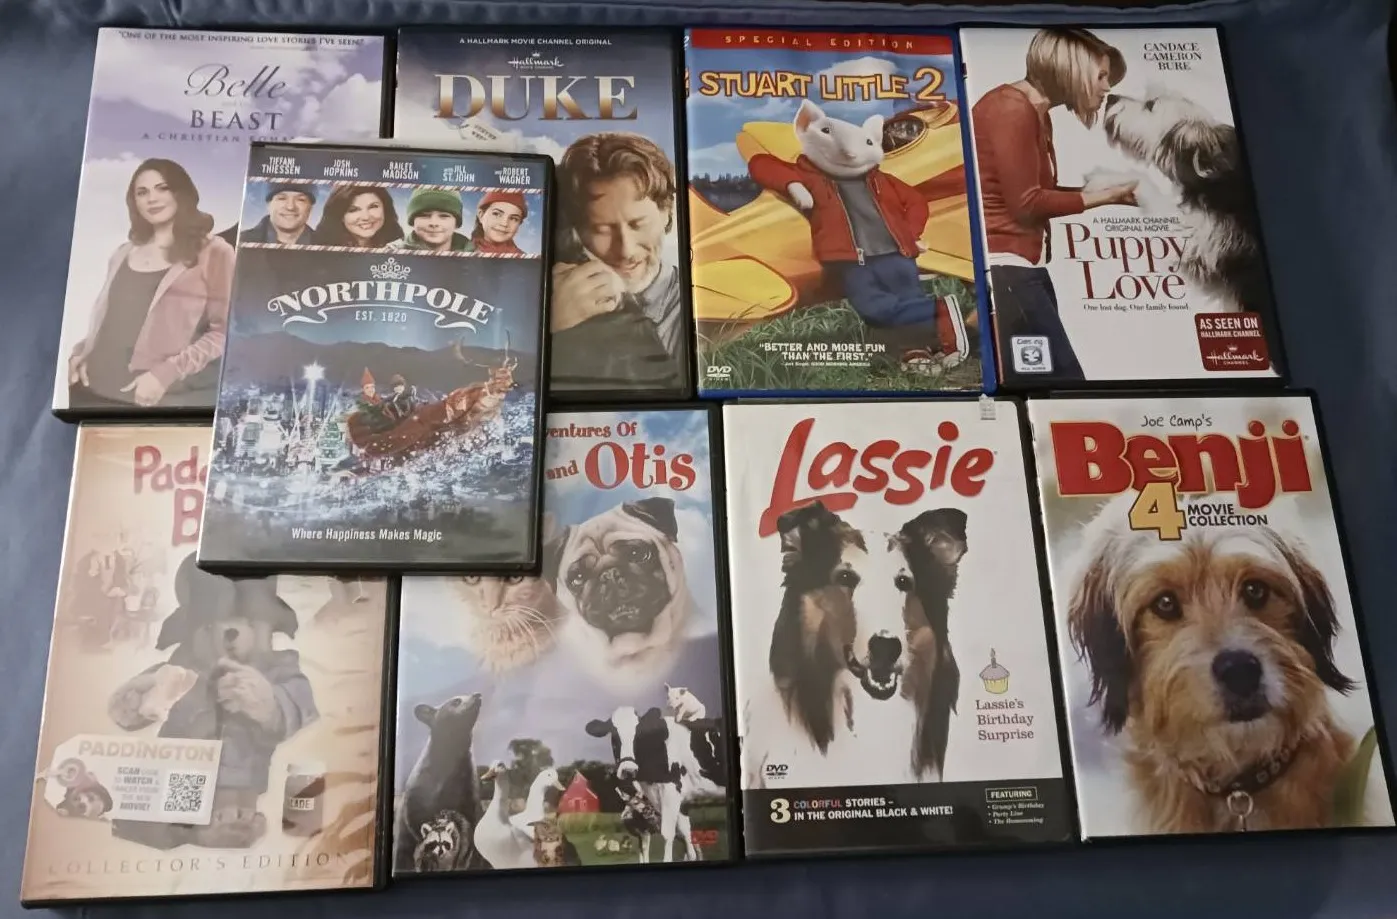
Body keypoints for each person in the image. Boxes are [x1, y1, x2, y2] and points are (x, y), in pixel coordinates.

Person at [972, 27, 1137, 382]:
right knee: (1064, 382)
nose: (1107, 88)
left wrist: (1105, 192)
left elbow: (1032, 190)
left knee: (1041, 379)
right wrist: (1103, 196)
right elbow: (1026, 204)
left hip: (1022, 267)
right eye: (1101, 76)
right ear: (1069, 69)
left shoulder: (1033, 110)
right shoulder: (1011, 109)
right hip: (1006, 266)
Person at [67, 158, 234, 409]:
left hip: (151, 395)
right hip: (89, 388)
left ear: (182, 193)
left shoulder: (215, 252)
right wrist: (80, 352)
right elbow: (109, 321)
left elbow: (224, 332)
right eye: (142, 192)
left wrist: (164, 374)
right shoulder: (122, 252)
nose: (151, 198)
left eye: (162, 188)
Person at [549, 133, 683, 390]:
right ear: (577, 230)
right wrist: (551, 327)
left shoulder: (706, 309)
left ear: (667, 213)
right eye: (602, 229)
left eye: (638, 224)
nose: (626, 250)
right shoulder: (556, 300)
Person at [314, 185, 402, 248]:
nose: (366, 217)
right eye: (353, 210)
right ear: (340, 216)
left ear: (385, 209)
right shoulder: (322, 249)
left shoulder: (399, 246)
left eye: (373, 206)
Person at [388, 188, 473, 252]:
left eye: (444, 216)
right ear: (412, 221)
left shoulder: (475, 254)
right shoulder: (391, 253)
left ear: (456, 223)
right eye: (424, 216)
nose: (434, 223)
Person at [240, 183, 316, 246]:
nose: (290, 207)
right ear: (268, 205)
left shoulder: (321, 243)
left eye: (301, 200)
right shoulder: (243, 239)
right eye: (282, 198)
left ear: (310, 208)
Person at [471, 190, 526, 255]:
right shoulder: (464, 250)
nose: (504, 223)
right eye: (496, 214)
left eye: (514, 219)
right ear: (481, 215)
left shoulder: (524, 257)